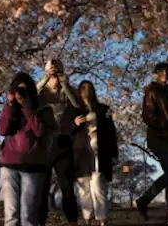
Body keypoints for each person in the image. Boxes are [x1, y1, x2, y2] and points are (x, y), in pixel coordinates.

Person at [0, 72, 55, 226]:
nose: (21, 94)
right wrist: (10, 106)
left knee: (28, 216)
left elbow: (40, 131)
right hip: (9, 165)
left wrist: (29, 108)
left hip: (33, 167)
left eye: (25, 90)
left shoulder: (44, 110)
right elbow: (3, 130)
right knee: (11, 216)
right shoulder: (11, 108)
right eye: (18, 90)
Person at [36, 58, 83, 226]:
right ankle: (40, 222)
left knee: (67, 187)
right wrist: (44, 79)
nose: (54, 75)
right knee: (42, 188)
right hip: (44, 144)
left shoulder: (68, 90)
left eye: (57, 71)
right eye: (50, 71)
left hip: (63, 142)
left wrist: (64, 85)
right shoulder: (41, 92)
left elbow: (77, 104)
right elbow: (31, 99)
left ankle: (72, 221)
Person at [137, 62, 168, 223]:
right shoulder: (152, 91)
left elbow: (167, 115)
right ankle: (144, 200)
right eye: (162, 71)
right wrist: (165, 125)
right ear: (156, 73)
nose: (166, 73)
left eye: (167, 71)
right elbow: (147, 116)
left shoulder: (166, 92)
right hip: (158, 138)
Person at [72, 81, 119, 226]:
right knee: (84, 190)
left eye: (89, 89)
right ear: (79, 92)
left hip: (100, 153)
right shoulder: (75, 109)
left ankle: (102, 219)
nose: (86, 92)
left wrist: (114, 154)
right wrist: (75, 124)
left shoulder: (104, 109)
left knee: (98, 187)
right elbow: (66, 130)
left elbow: (112, 133)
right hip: (81, 154)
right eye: (83, 89)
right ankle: (88, 218)